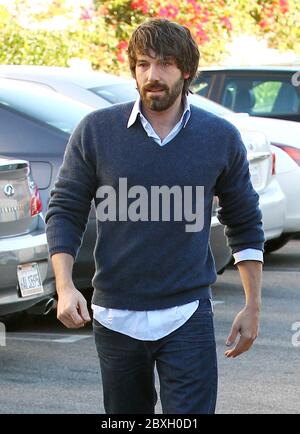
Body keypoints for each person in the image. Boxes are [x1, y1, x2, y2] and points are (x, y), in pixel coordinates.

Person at [45, 18, 264, 414]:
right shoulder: (96, 131)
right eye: (143, 64)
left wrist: (252, 307)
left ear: (187, 71)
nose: (153, 75)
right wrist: (64, 285)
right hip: (115, 315)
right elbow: (65, 210)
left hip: (187, 313)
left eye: (165, 63)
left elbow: (245, 222)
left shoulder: (219, 137)